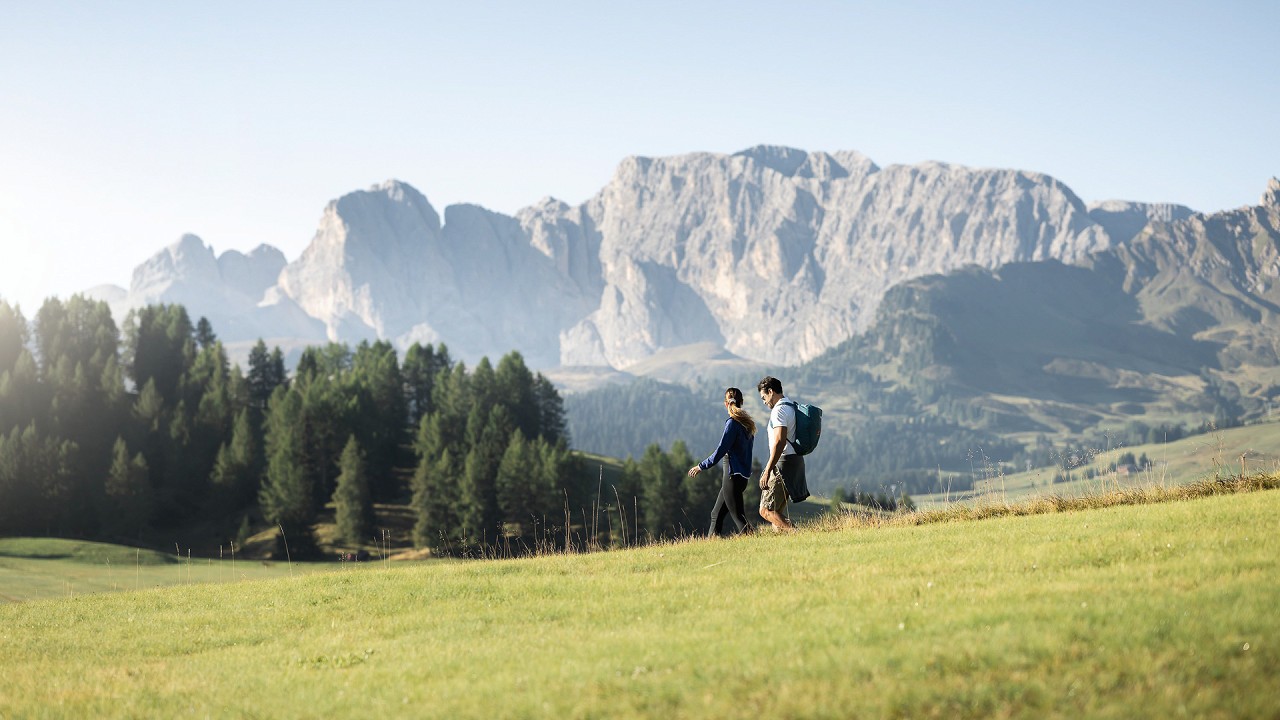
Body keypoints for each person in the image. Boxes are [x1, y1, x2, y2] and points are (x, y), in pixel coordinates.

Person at [687, 387, 756, 537]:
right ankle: (711, 544)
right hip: (742, 477)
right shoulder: (748, 425)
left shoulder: (733, 423)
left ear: (726, 404)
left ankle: (754, 540)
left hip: (732, 477)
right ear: (742, 402)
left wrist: (701, 466)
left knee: (739, 517)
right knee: (716, 514)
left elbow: (720, 450)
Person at [757, 376, 800, 531]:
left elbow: (780, 442)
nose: (764, 402)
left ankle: (796, 533)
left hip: (782, 462)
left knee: (766, 510)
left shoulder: (779, 410)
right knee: (777, 512)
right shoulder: (790, 405)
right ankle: (786, 542)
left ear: (770, 391)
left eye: (764, 398)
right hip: (794, 461)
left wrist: (768, 470)